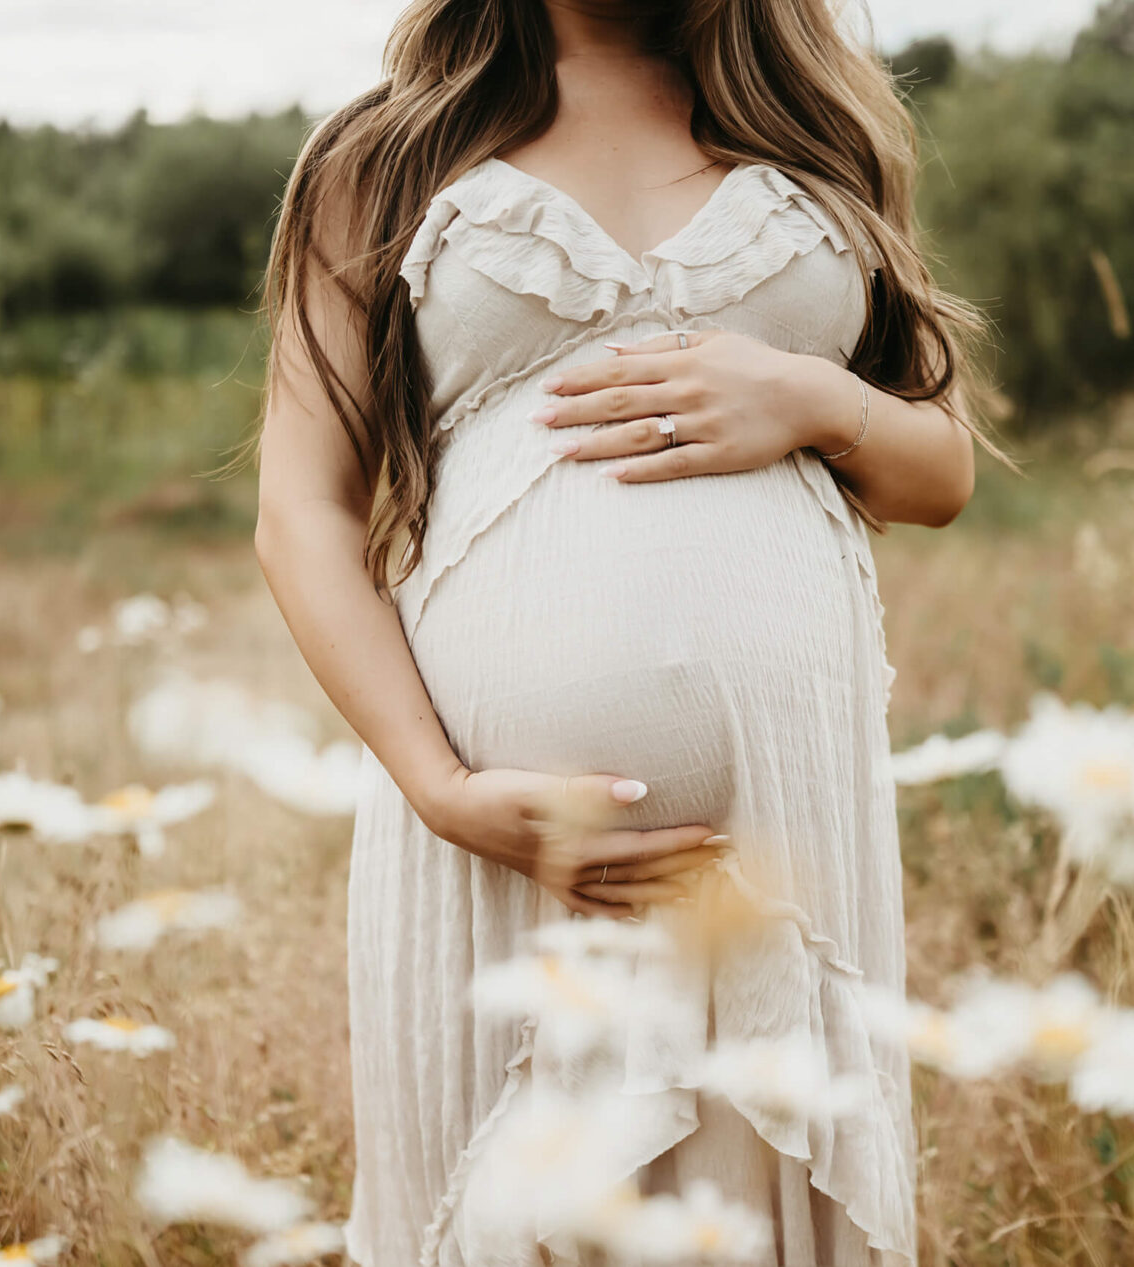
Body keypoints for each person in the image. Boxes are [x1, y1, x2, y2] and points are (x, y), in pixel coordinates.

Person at [250, 0, 993, 1260]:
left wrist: (811, 396)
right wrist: (441, 788)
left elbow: (940, 474)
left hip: (779, 840)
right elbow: (300, 512)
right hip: (502, 838)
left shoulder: (818, 128)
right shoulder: (382, 159)